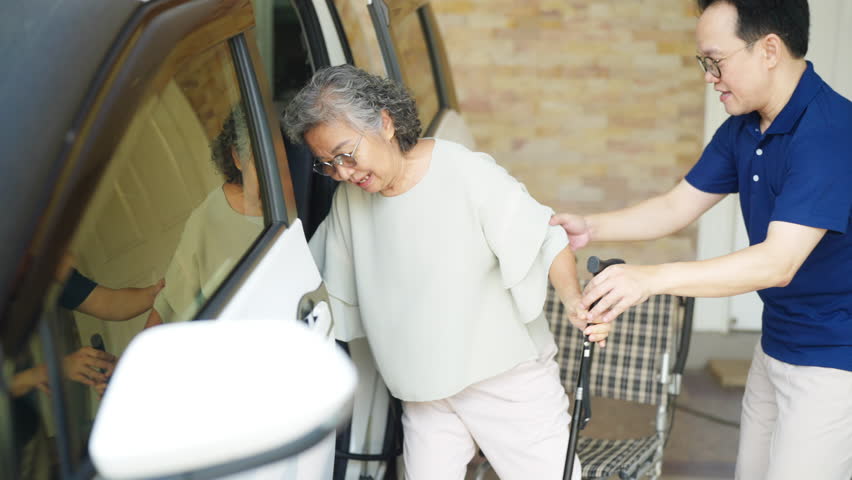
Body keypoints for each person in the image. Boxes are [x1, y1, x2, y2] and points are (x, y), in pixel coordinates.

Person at [550, 1, 852, 478]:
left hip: (835, 362)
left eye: (717, 60)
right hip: (777, 343)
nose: (709, 76)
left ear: (769, 49)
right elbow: (676, 206)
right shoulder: (743, 128)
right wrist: (591, 228)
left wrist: (650, 279)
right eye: (704, 63)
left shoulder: (830, 132)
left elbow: (778, 263)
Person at [283, 64, 611, 480]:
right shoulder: (351, 202)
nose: (344, 172)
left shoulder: (463, 172)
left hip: (503, 380)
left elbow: (545, 237)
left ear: (384, 124)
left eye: (347, 154)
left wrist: (574, 302)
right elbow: (313, 275)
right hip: (424, 392)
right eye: (328, 164)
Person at [145, 104, 264, 327]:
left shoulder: (295, 199)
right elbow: (169, 304)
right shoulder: (208, 217)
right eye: (260, 159)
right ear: (237, 158)